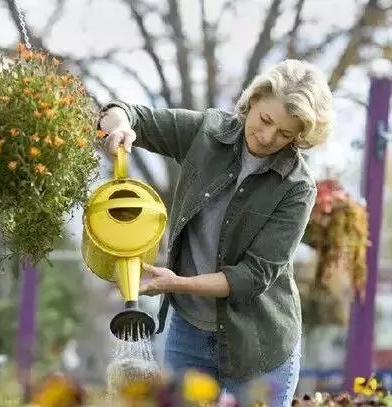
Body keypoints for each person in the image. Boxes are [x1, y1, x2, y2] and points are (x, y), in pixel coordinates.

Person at [97, 59, 334, 406]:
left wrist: (175, 283)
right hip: (189, 333)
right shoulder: (206, 134)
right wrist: (119, 127)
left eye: (285, 134)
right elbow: (129, 114)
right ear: (253, 99)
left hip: (259, 345)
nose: (268, 137)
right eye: (265, 120)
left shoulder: (297, 187)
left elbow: (252, 277)